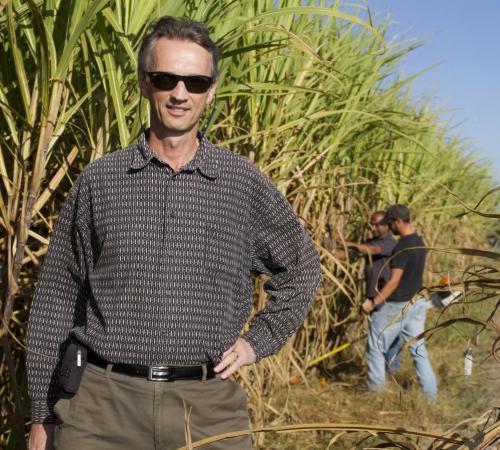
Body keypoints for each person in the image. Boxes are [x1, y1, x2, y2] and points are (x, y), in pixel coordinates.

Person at [26, 17, 320, 450]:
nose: (180, 94)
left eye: (196, 82)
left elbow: (302, 267)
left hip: (207, 409)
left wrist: (258, 342)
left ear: (211, 90)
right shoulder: (101, 180)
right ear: (145, 84)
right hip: (101, 408)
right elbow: (57, 297)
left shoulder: (242, 183)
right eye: (166, 79)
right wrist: (41, 414)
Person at [362, 204, 437, 399]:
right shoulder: (419, 241)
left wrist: (373, 302)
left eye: (390, 223)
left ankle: (377, 395)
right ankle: (431, 397)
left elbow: (394, 281)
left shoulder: (402, 246)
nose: (390, 228)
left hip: (397, 305)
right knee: (419, 351)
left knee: (376, 347)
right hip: (417, 303)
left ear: (397, 221)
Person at [337, 211, 402, 372]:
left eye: (376, 224)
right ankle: (382, 370)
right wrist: (328, 251)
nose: (372, 227)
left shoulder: (390, 242)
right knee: (380, 334)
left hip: (385, 297)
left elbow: (373, 250)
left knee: (391, 335)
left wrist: (348, 243)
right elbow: (350, 255)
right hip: (372, 296)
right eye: (371, 224)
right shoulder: (370, 242)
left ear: (386, 225)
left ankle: (390, 370)